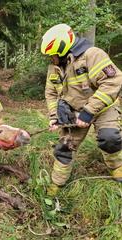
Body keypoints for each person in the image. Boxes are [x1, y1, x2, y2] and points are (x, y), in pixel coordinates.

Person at [41, 23, 122, 195]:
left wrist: (88, 112)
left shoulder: (92, 55)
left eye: (52, 55)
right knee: (64, 147)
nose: (51, 59)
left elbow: (113, 82)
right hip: (74, 111)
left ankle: (117, 169)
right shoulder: (54, 68)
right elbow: (51, 93)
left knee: (109, 138)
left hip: (103, 107)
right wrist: (54, 116)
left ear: (62, 49)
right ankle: (56, 185)